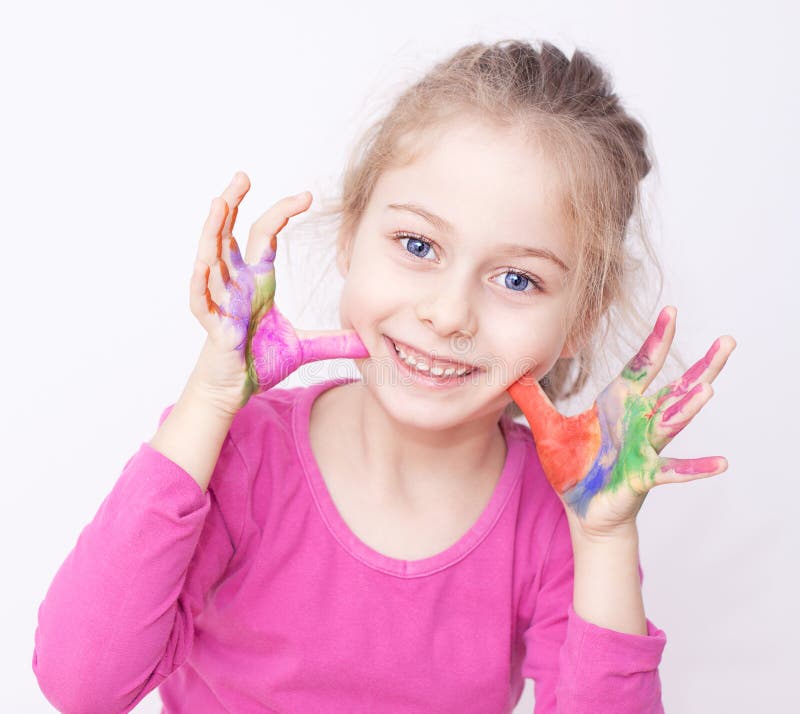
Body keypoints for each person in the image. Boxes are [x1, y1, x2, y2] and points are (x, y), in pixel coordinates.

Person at [32, 39, 735, 713]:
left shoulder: (557, 519)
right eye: (418, 244)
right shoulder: (241, 454)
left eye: (518, 278)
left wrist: (605, 543)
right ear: (349, 237)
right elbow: (81, 684)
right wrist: (211, 400)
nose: (448, 312)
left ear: (579, 320)